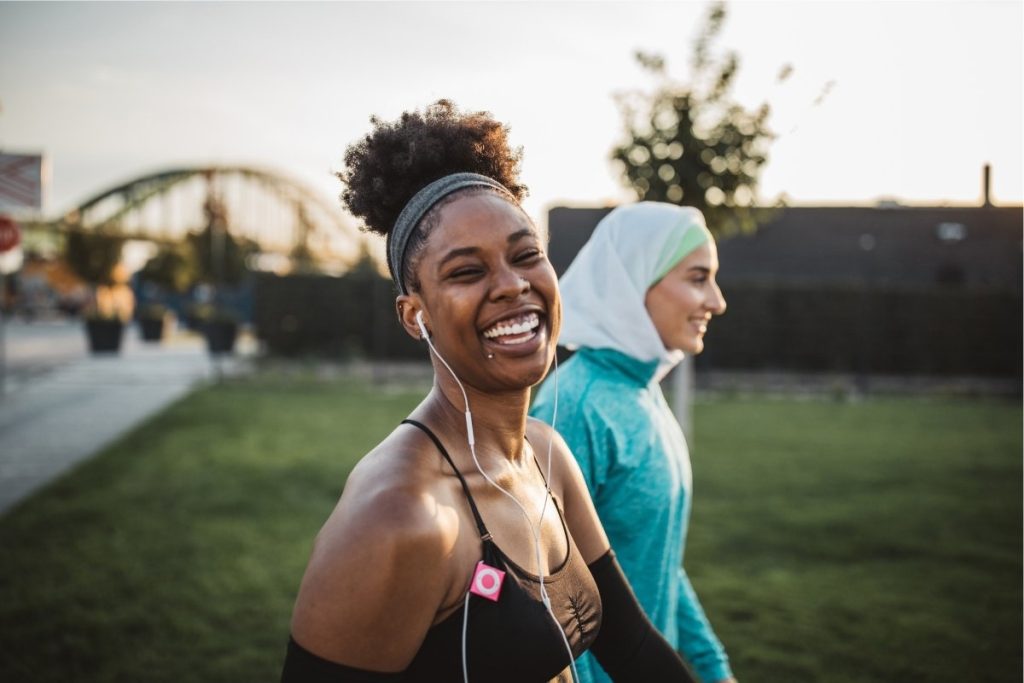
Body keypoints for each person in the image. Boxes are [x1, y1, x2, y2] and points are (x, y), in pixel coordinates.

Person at [281, 101, 697, 682]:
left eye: (527, 256)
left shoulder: (546, 456)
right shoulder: (400, 515)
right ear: (413, 314)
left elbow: (633, 650)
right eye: (466, 271)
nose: (513, 286)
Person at [530, 202, 734, 683]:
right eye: (698, 277)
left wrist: (711, 665)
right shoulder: (576, 405)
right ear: (634, 281)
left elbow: (657, 558)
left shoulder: (644, 393)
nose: (717, 300)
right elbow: (549, 594)